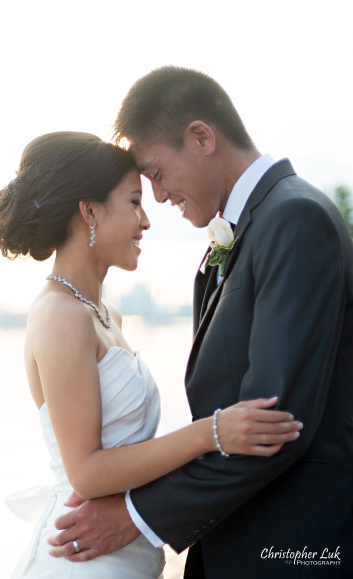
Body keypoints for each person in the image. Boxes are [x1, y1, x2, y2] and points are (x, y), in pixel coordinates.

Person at [48, 67, 353, 578]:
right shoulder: (246, 232)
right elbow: (223, 419)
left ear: (201, 137)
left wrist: (136, 517)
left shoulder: (295, 219)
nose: (159, 199)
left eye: (158, 174)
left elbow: (271, 424)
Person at [0, 131, 302, 578]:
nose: (146, 221)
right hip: (84, 561)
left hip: (127, 553)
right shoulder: (61, 316)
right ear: (90, 210)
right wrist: (211, 433)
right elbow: (87, 474)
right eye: (134, 201)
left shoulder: (103, 313)